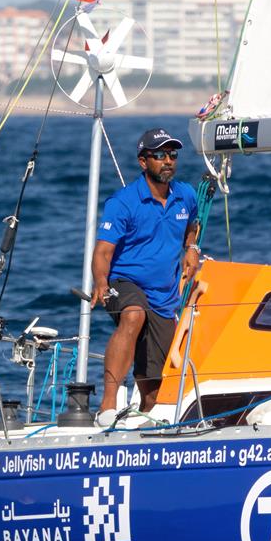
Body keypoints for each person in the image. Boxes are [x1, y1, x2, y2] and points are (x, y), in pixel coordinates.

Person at [90, 128, 200, 426]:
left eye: (172, 155)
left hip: (164, 297)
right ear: (143, 161)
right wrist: (101, 282)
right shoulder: (123, 202)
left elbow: (193, 223)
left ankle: (145, 424)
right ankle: (107, 405)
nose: (168, 161)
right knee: (134, 314)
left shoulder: (186, 195)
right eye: (160, 155)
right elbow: (102, 252)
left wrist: (191, 248)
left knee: (154, 391)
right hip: (124, 282)